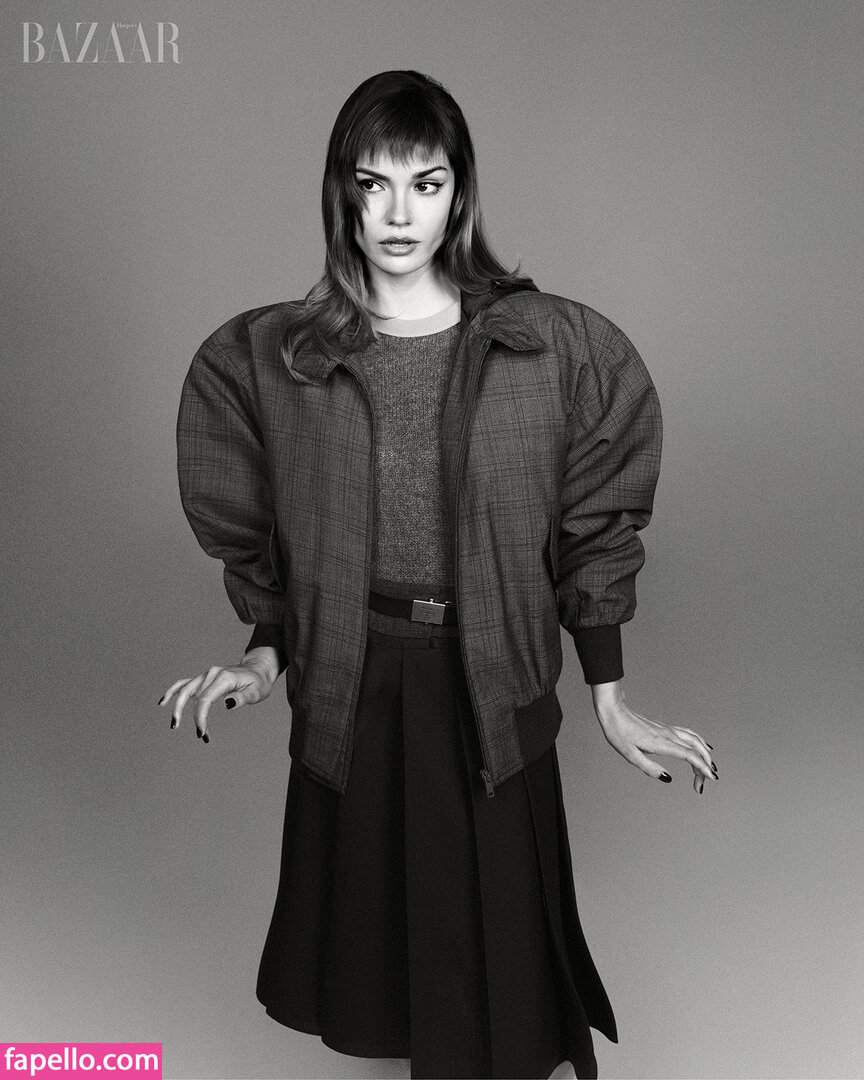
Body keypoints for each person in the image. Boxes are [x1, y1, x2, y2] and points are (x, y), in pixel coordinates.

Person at [159, 70, 716, 1080]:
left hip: (489, 677)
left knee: (499, 959)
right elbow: (279, 537)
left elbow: (594, 526)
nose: (399, 213)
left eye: (426, 183)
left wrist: (611, 696)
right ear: (343, 192)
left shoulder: (549, 348)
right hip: (358, 680)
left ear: (459, 193)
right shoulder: (281, 360)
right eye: (373, 184)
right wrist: (260, 657)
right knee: (384, 950)